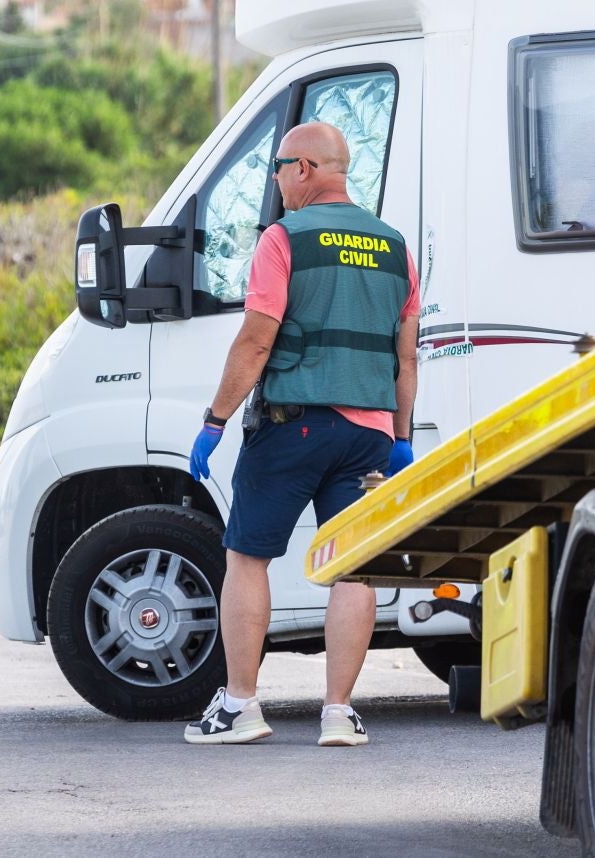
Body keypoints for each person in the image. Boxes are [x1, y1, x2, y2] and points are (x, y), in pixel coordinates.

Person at [183, 121, 419, 747]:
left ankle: (240, 707)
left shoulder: (284, 239)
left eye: (281, 167)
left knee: (247, 557)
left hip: (294, 426)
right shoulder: (395, 246)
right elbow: (408, 355)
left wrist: (214, 420)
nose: (278, 181)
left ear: (307, 169)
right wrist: (402, 436)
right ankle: (339, 714)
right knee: (354, 570)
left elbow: (257, 339)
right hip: (369, 436)